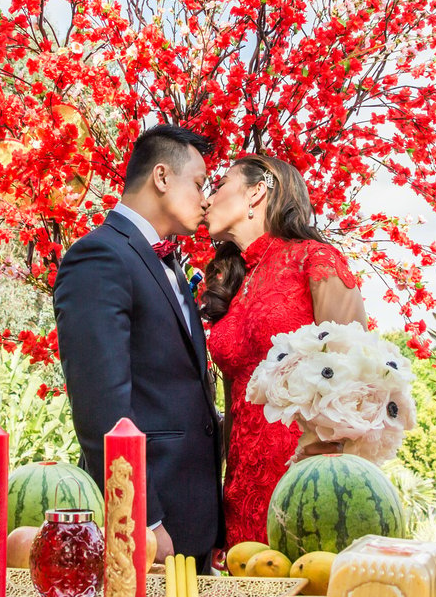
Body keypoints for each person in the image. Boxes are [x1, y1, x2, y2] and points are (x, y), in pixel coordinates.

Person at [54, 124, 223, 564]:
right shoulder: (100, 256)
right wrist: (143, 520)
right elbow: (101, 407)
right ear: (162, 177)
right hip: (154, 524)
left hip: (194, 517)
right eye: (200, 183)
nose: (206, 199)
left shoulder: (164, 260)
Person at [202, 153, 368, 550]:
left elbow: (359, 374)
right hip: (241, 488)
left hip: (306, 483)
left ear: (256, 192)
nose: (208, 199)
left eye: (220, 185)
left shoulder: (315, 260)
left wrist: (323, 472)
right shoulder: (237, 283)